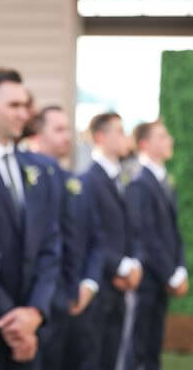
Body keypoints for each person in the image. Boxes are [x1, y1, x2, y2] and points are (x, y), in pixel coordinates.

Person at [0, 68, 61, 370]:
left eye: (24, 105)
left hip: (33, 329)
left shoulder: (34, 169)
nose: (24, 114)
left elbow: (50, 243)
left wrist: (35, 312)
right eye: (13, 106)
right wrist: (13, 321)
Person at [24, 106, 103, 370]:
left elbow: (97, 238)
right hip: (35, 307)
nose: (67, 136)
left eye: (67, 129)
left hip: (77, 304)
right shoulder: (22, 180)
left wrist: (88, 284)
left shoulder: (75, 182)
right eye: (58, 129)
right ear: (36, 134)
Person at [80, 112, 143, 370]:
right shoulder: (88, 181)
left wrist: (134, 264)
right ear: (100, 137)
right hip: (100, 287)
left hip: (120, 289)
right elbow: (90, 235)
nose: (125, 137)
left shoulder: (122, 179)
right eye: (119, 131)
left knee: (112, 357)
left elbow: (132, 229)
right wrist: (120, 266)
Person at [125, 121, 188, 370]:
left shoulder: (164, 181)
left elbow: (173, 231)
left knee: (154, 346)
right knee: (137, 347)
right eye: (162, 137)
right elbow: (145, 236)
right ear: (144, 144)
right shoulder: (139, 182)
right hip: (147, 280)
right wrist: (170, 274)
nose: (169, 141)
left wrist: (180, 268)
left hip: (163, 279)